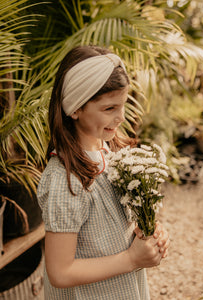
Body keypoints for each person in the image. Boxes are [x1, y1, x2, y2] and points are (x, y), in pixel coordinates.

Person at [37, 45, 170, 300]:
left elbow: (116, 222)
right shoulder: (66, 181)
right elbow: (60, 272)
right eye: (109, 109)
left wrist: (149, 232)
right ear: (75, 108)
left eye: (123, 105)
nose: (120, 117)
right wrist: (132, 259)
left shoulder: (109, 151)